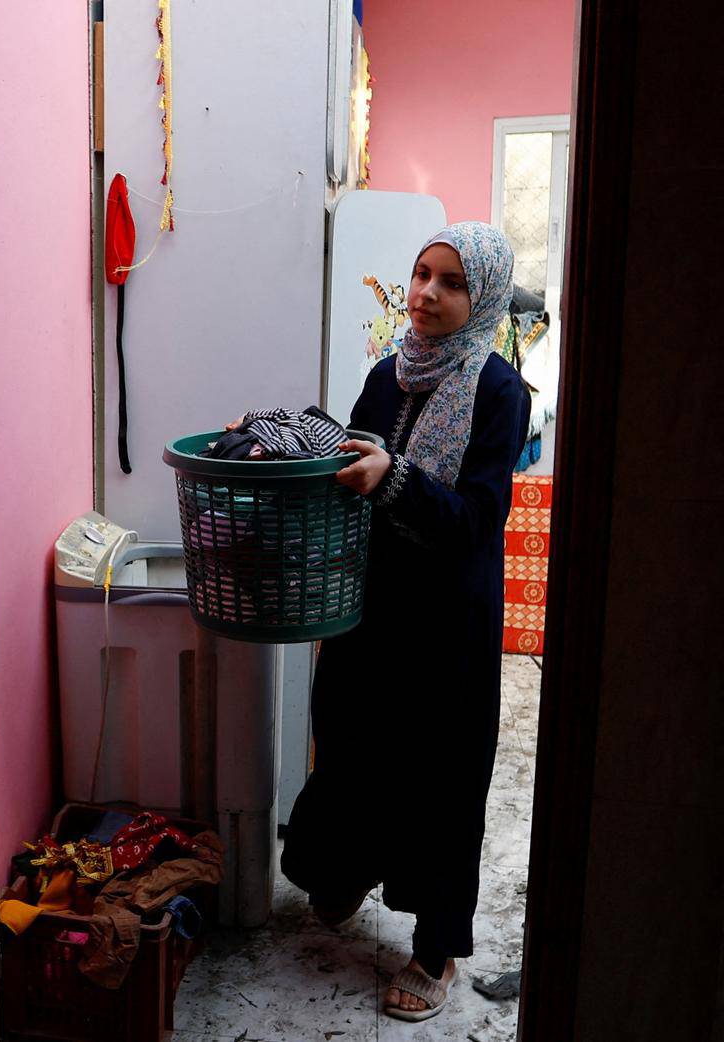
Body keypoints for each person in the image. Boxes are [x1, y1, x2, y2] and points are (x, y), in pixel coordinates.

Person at [279, 221, 532, 1022]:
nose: (426, 294)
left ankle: (436, 949)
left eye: (450, 283)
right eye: (422, 274)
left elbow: (477, 520)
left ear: (481, 296)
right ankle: (348, 867)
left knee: (440, 774)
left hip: (446, 619)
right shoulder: (386, 375)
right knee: (350, 734)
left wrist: (395, 480)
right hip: (371, 601)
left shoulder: (500, 393)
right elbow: (356, 460)